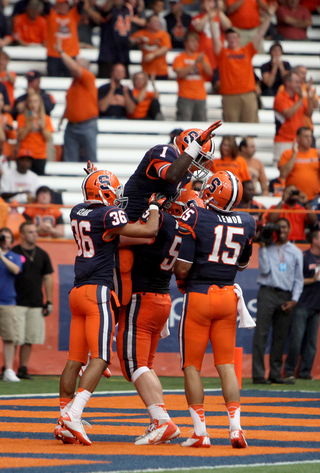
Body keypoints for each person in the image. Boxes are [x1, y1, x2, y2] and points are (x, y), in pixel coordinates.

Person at [55, 168, 160, 446]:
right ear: (105, 193)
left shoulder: (77, 211)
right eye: (113, 190)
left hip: (77, 290)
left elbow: (99, 209)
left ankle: (63, 417)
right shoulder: (108, 216)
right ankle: (74, 415)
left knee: (73, 361)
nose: (117, 196)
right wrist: (154, 205)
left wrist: (95, 178)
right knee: (101, 359)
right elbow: (149, 232)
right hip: (97, 293)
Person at [174, 171, 256, 448]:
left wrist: (182, 280)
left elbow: (183, 266)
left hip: (200, 294)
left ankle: (200, 432)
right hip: (228, 294)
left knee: (191, 367)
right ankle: (235, 429)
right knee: (226, 365)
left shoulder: (196, 216)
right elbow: (242, 264)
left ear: (211, 190)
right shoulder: (247, 221)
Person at [117, 189, 204, 445]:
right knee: (146, 364)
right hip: (162, 299)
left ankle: (162, 420)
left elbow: (124, 236)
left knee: (132, 364)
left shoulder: (163, 220)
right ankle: (159, 419)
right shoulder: (190, 232)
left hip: (142, 297)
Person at [124, 121, 222, 221]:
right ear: (186, 149)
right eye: (200, 158)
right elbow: (172, 175)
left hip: (152, 218)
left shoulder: (186, 172)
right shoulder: (165, 151)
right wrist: (196, 146)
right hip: (131, 216)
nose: (202, 164)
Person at [252, 217, 304, 384]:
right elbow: (265, 270)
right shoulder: (268, 246)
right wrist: (263, 246)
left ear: (289, 230)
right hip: (267, 292)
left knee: (280, 337)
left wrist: (294, 300)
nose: (281, 230)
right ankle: (259, 375)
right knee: (261, 334)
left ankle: (275, 374)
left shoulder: (296, 252)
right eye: (278, 227)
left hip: (286, 296)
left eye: (284, 227)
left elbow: (299, 279)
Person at [212, 4, 276, 123]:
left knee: (251, 126)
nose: (233, 40)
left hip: (248, 94)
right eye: (230, 38)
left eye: (235, 37)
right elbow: (215, 38)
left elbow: (260, 34)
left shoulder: (248, 50)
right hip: (229, 95)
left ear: (239, 39)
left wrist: (269, 16)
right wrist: (212, 20)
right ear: (226, 40)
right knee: (231, 131)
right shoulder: (222, 53)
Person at [12, 221, 54, 380]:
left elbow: (48, 278)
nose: (34, 235)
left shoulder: (42, 254)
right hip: (15, 301)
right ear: (22, 234)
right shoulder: (14, 252)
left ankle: (23, 368)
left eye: (35, 232)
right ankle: (9, 367)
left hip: (36, 302)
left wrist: (49, 301)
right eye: (30, 232)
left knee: (29, 338)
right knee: (14, 338)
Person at [284, 229, 320, 381]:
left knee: (312, 344)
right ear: (314, 240)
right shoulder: (304, 257)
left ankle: (305, 372)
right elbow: (295, 280)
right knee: (296, 341)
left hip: (317, 306)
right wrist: (312, 279)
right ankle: (290, 371)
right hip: (302, 304)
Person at [56, 42, 98, 163]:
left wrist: (61, 52)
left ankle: (94, 181)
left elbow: (74, 67)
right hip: (71, 125)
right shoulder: (73, 83)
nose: (72, 68)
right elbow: (71, 103)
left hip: (87, 125)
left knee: (91, 159)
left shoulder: (89, 77)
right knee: (70, 159)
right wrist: (62, 119)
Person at [273, 71, 315, 164]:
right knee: (281, 167)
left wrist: (310, 99)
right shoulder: (280, 97)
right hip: (283, 140)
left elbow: (309, 113)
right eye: (297, 82)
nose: (300, 84)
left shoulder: (298, 97)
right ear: (288, 83)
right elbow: (288, 114)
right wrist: (300, 99)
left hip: (298, 140)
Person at [85, 0, 133, 78]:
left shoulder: (128, 8)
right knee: (106, 79)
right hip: (108, 53)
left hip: (124, 53)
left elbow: (140, 8)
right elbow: (104, 12)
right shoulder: (109, 9)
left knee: (124, 82)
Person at [172, 31, 212, 122]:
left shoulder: (203, 58)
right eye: (192, 41)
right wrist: (195, 64)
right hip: (185, 97)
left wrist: (202, 62)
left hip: (200, 97)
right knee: (184, 124)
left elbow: (210, 73)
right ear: (186, 43)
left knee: (201, 126)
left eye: (196, 41)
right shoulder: (179, 58)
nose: (195, 44)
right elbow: (180, 74)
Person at [0, 227, 22, 382]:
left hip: (7, 301)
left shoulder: (15, 256)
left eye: (7, 237)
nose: (4, 240)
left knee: (9, 337)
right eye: (2, 237)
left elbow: (15, 270)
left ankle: (8, 369)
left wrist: (1, 256)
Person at [278, 127, 320, 209]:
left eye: (310, 136)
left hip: (313, 198)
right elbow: (283, 174)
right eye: (306, 136)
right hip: (293, 199)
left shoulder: (316, 153)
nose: (309, 139)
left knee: (313, 221)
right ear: (298, 138)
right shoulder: (287, 154)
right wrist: (295, 154)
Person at [17, 91, 54, 176]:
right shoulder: (22, 117)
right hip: (25, 154)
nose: (33, 104)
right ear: (27, 103)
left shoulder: (46, 118)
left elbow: (49, 138)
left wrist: (42, 128)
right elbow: (20, 137)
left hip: (40, 155)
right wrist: (29, 124)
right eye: (30, 101)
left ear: (40, 103)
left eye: (35, 101)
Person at [190, 0, 231, 76]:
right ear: (202, 4)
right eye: (206, 1)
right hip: (203, 55)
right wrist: (208, 15)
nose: (209, 4)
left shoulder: (220, 17)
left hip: (218, 56)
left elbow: (228, 27)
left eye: (211, 1)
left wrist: (219, 12)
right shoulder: (197, 17)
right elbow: (198, 28)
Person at [44, 0, 84, 77]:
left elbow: (81, 5)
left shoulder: (73, 15)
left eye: (66, 4)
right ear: (56, 6)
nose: (64, 7)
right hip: (54, 55)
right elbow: (46, 5)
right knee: (53, 79)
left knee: (70, 80)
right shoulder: (51, 15)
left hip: (70, 55)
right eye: (61, 5)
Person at [130, 14, 172, 80]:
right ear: (148, 24)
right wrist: (136, 40)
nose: (158, 23)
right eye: (155, 21)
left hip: (161, 70)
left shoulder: (163, 34)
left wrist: (153, 54)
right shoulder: (142, 33)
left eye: (158, 21)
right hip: (146, 70)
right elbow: (130, 40)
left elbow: (166, 48)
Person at [0, 92, 16, 160]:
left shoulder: (7, 116)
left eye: (1, 100)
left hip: (4, 152)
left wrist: (8, 129)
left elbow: (13, 136)